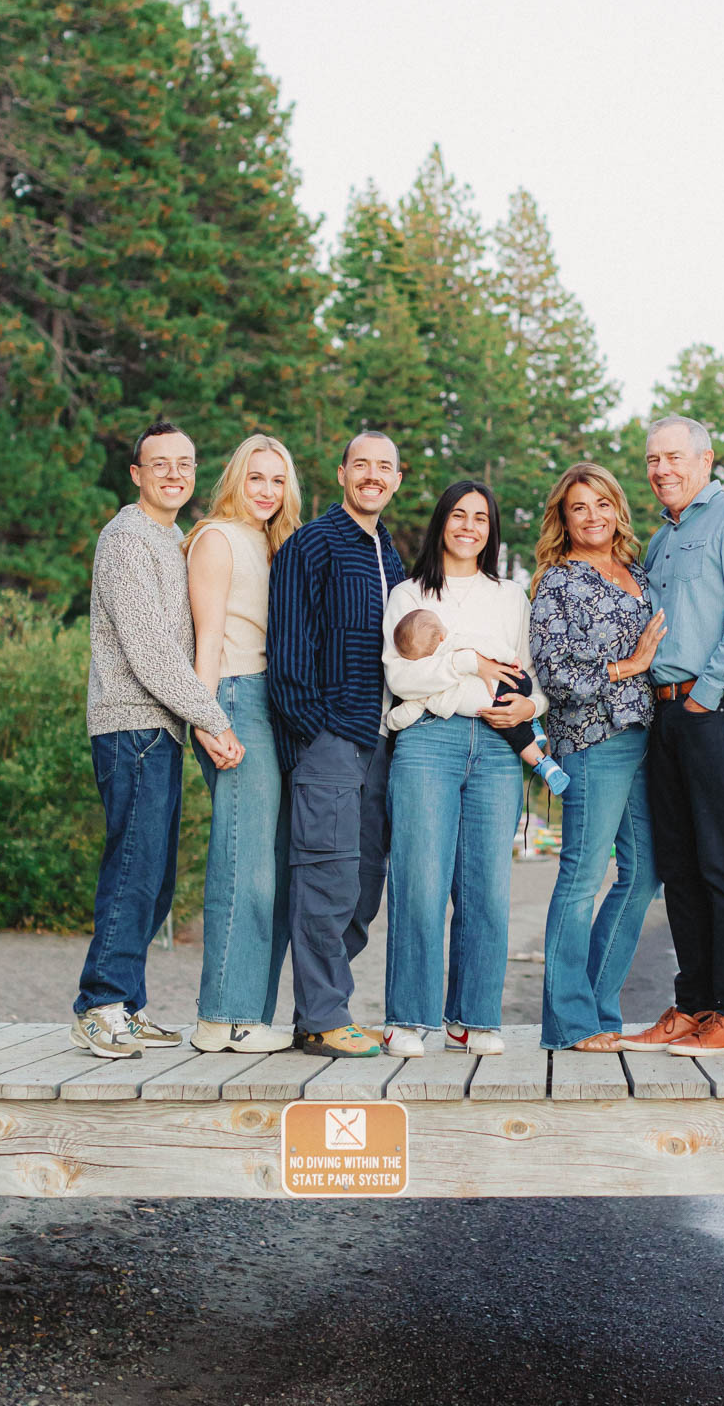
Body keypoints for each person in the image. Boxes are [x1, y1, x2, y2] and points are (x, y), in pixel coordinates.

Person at [72, 420, 243, 1060]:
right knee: (133, 872)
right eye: (160, 464)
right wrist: (212, 717)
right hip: (131, 726)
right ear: (137, 474)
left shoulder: (172, 538)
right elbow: (149, 654)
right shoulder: (126, 540)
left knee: (156, 879)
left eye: (186, 464)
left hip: (160, 727)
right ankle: (98, 1006)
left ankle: (127, 1005)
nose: (174, 474)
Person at [616, 415, 724, 1058]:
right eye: (653, 460)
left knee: (718, 864)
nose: (662, 470)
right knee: (678, 868)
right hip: (665, 715)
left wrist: (707, 697)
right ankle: (694, 1005)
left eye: (675, 458)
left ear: (705, 460)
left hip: (714, 710)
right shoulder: (660, 539)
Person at [380, 480, 545, 1059]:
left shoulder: (511, 598)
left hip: (499, 749)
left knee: (486, 891)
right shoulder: (408, 593)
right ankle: (408, 1019)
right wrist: (468, 662)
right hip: (429, 742)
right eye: (458, 515)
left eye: (480, 517)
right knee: (421, 882)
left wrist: (531, 708)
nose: (469, 526)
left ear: (491, 529)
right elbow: (402, 678)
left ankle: (473, 1018)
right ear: (441, 523)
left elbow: (529, 680)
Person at [266, 430, 405, 1059]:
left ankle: (326, 1008)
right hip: (330, 739)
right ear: (342, 472)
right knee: (325, 877)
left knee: (362, 884)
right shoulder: (312, 544)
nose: (373, 475)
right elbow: (289, 658)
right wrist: (316, 732)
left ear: (396, 479)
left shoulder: (391, 554)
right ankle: (321, 1017)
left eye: (386, 467)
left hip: (380, 741)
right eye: (363, 465)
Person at [529, 463, 667, 1051]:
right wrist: (627, 667)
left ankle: (599, 1010)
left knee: (644, 877)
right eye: (579, 507)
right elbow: (554, 675)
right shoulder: (557, 583)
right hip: (591, 742)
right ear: (563, 516)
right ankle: (569, 1023)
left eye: (602, 504)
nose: (592, 517)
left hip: (646, 738)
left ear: (618, 510)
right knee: (582, 879)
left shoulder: (637, 572)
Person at [184, 434, 302, 1054]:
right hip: (230, 699)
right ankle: (220, 1016)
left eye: (277, 480)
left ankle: (250, 1015)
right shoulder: (217, 539)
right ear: (235, 478)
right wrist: (205, 719)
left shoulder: (274, 542)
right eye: (255, 477)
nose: (265, 490)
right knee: (244, 864)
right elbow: (205, 640)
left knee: (278, 869)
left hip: (273, 704)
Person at [388, 607, 569, 794]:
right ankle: (532, 725)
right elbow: (486, 644)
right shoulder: (456, 642)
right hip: (513, 679)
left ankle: (545, 766)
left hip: (494, 703)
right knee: (516, 715)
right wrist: (510, 657)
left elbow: (407, 712)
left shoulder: (428, 684)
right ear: (442, 635)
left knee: (519, 739)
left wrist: (390, 720)